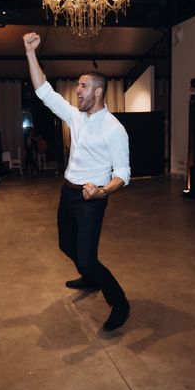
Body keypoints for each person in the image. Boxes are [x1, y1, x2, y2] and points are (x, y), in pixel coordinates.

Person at [23, 32, 131, 331]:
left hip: (91, 200)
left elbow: (123, 172)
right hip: (67, 192)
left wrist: (101, 191)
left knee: (88, 258)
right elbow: (43, 90)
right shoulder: (75, 116)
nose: (77, 90)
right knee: (65, 245)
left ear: (97, 92)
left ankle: (120, 302)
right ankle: (89, 277)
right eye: (78, 86)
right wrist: (31, 53)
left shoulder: (114, 129)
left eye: (83, 86)